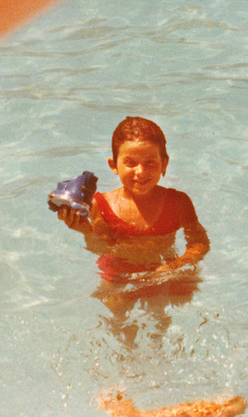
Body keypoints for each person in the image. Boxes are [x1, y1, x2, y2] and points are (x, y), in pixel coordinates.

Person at [57, 117, 209, 338]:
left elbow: (199, 244)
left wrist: (174, 266)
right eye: (131, 163)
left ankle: (158, 355)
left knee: (166, 312)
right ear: (113, 165)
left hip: (160, 268)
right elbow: (103, 248)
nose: (140, 171)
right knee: (115, 313)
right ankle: (124, 360)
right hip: (118, 272)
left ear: (164, 164)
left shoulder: (178, 202)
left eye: (150, 163)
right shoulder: (101, 205)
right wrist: (85, 230)